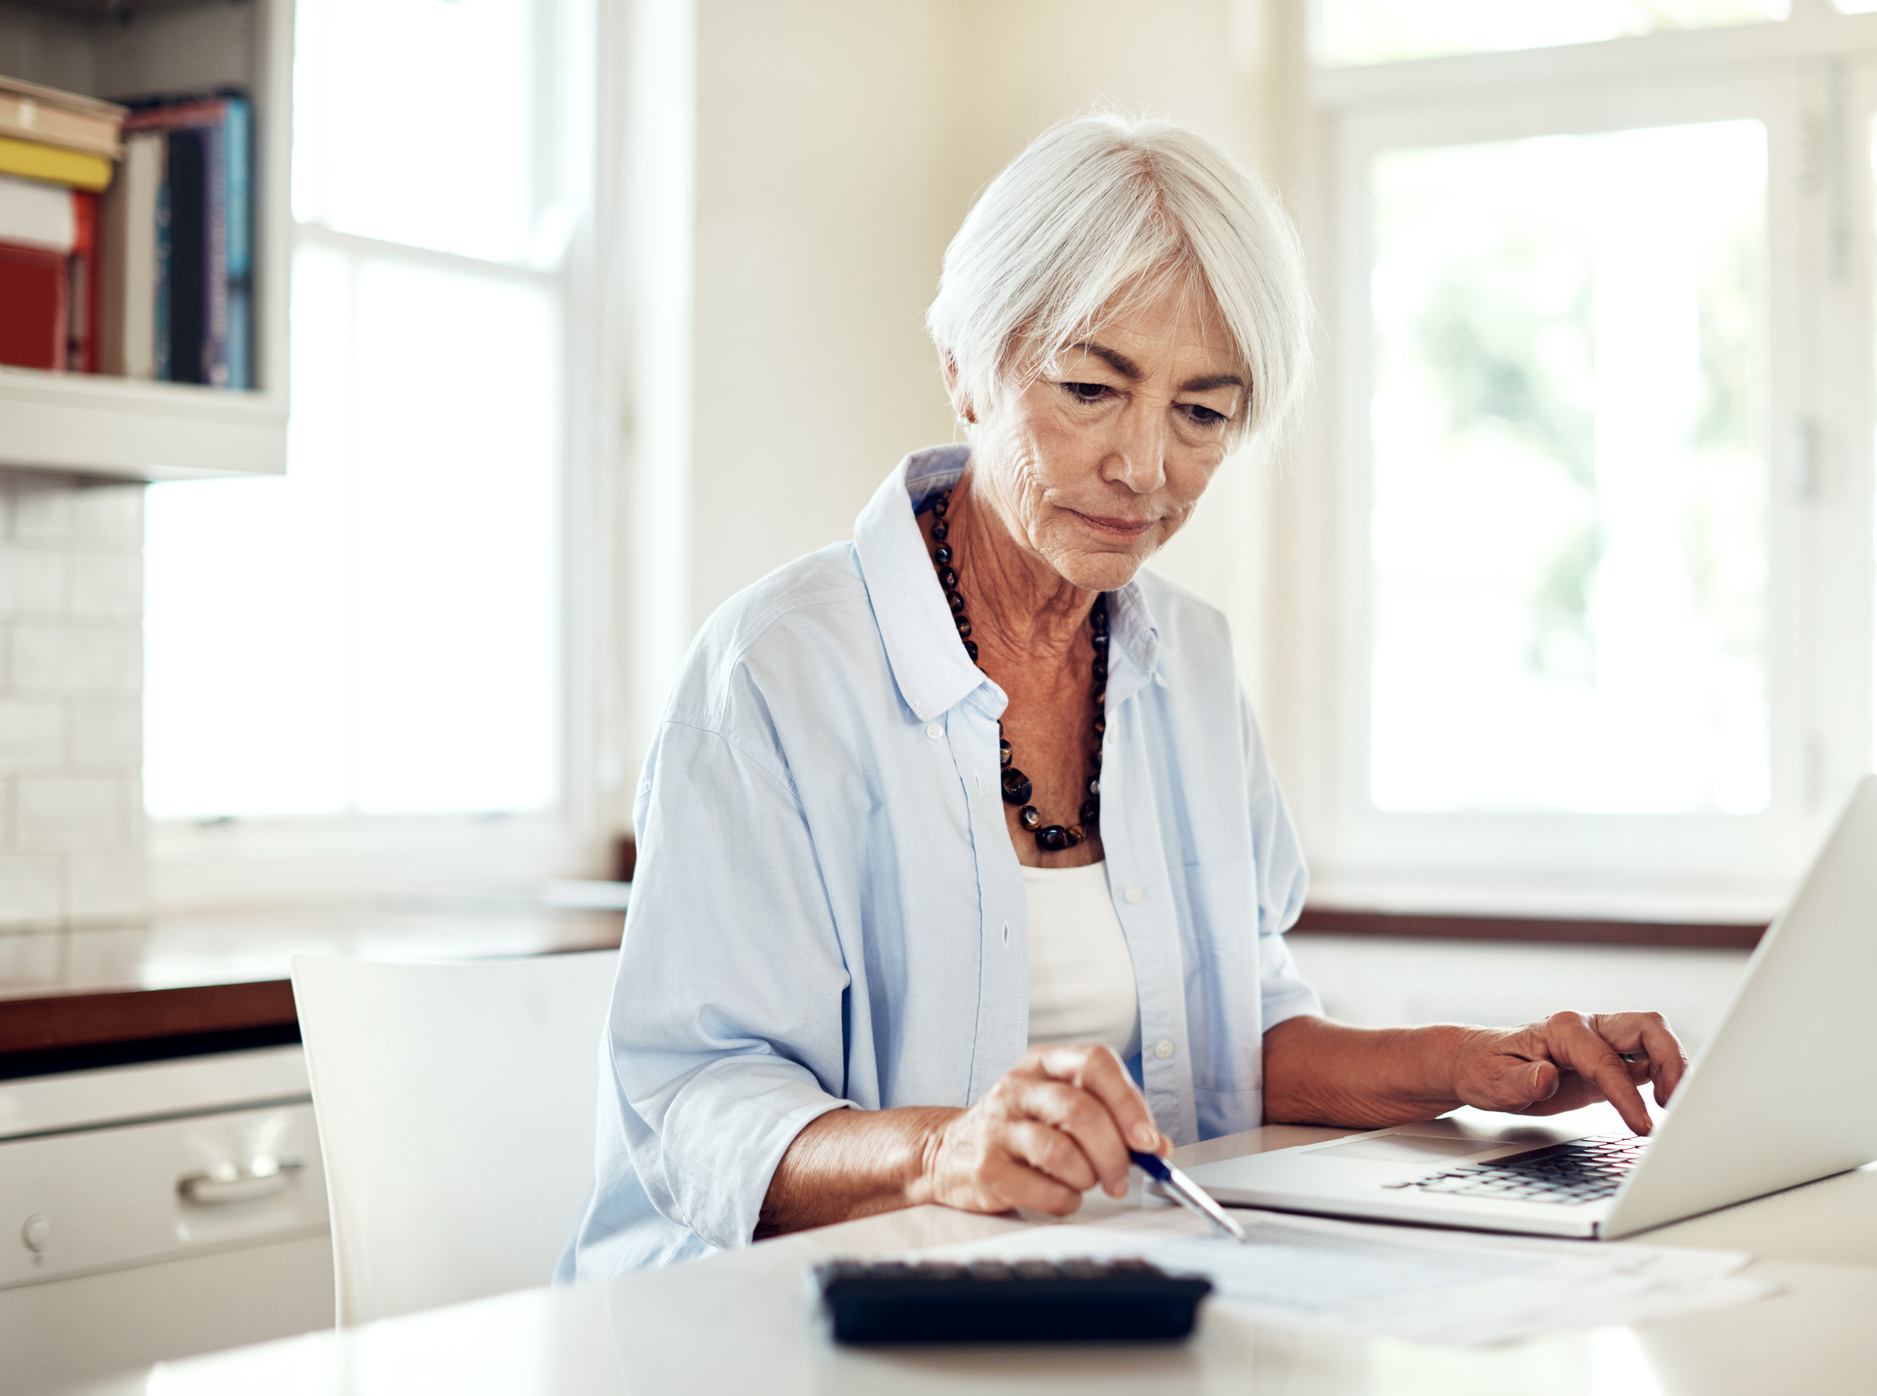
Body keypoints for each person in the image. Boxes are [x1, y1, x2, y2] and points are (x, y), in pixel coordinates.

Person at [559, 113, 1686, 1280]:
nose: (1144, 467)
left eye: (1201, 413)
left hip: (1083, 1295)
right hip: (761, 1320)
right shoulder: (774, 673)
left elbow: (1231, 1048)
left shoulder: (1185, 663)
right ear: (965, 369)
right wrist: (948, 1151)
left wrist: (1476, 1066)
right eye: (1092, 388)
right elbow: (695, 1102)